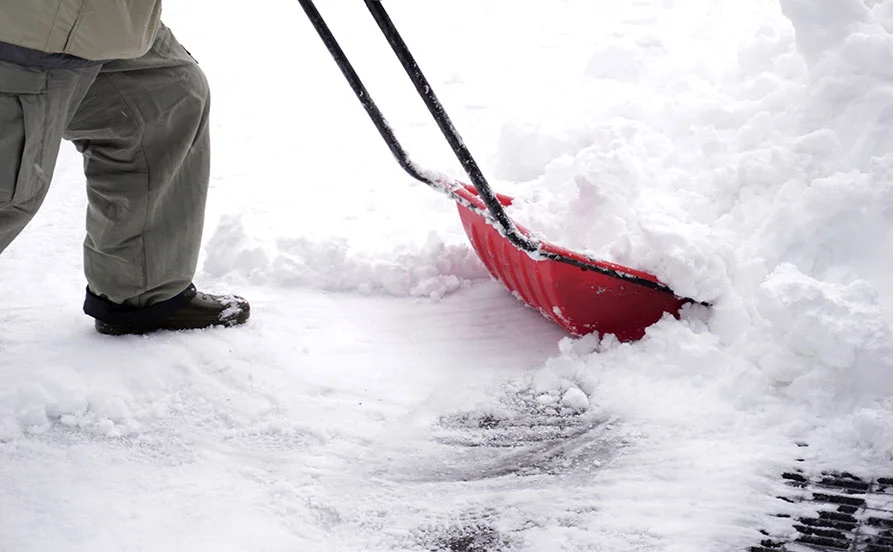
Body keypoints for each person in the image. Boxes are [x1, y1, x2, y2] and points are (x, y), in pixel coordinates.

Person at [0, 2, 250, 335]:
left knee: (161, 101)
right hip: (24, 30)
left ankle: (142, 290)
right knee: (9, 187)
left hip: (98, 18)